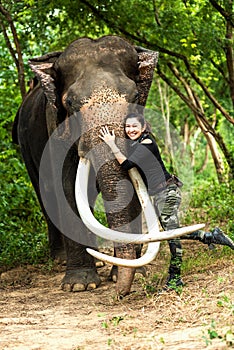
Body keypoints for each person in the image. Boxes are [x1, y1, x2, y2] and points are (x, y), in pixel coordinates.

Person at [99, 112, 234, 288]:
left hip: (168, 193)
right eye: (127, 127)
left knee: (171, 235)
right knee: (172, 231)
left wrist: (111, 144)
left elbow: (126, 164)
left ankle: (175, 277)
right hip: (159, 196)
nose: (131, 130)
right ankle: (210, 236)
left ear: (143, 127)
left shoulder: (147, 143)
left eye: (134, 126)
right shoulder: (136, 144)